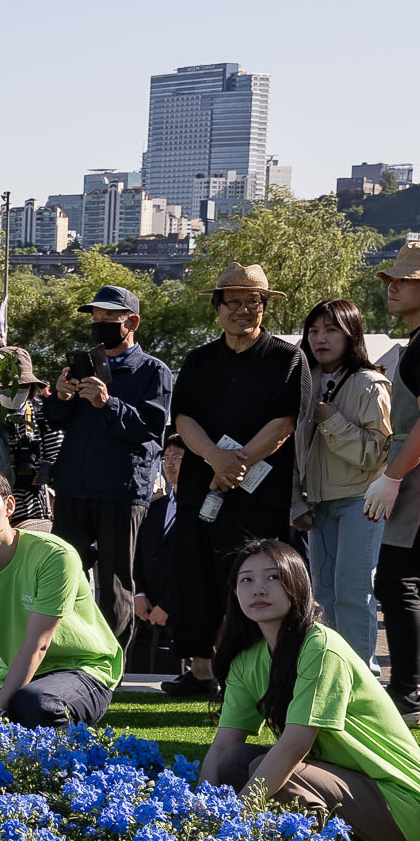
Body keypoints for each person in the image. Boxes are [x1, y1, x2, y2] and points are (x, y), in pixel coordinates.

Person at [201, 540, 420, 841]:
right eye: (246, 580)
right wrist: (198, 816)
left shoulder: (320, 648)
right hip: (344, 785)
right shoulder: (246, 661)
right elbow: (223, 747)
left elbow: (294, 746)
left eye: (273, 577)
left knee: (274, 773)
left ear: (297, 584)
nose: (259, 589)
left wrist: (234, 818)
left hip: (401, 805)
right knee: (235, 761)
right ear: (235, 592)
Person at [164, 264, 300, 696]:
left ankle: (257, 673)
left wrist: (235, 464)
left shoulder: (286, 357)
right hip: (201, 488)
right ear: (217, 308)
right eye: (234, 302)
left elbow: (284, 423)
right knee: (197, 574)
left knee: (258, 577)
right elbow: (183, 418)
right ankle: (201, 671)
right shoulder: (199, 359)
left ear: (265, 308)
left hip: (260, 493)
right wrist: (213, 458)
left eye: (254, 302)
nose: (244, 310)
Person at [40, 283, 174, 659]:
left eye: (108, 318)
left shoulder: (152, 371)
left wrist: (107, 403)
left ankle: (110, 663)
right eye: (95, 318)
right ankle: (62, 652)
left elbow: (151, 428)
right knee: (62, 576)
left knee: (115, 583)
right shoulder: (82, 365)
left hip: (122, 489)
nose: (99, 324)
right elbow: (55, 421)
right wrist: (61, 396)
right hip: (74, 487)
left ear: (132, 322)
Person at [0, 465, 122, 727]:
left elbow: (38, 645)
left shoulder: (54, 556)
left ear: (9, 505)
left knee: (35, 705)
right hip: (20, 677)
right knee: (7, 726)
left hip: (84, 669)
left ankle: (69, 760)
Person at [290, 299, 392, 662]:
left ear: (352, 334)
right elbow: (294, 449)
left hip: (360, 501)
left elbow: (376, 454)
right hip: (317, 503)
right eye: (313, 330)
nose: (320, 338)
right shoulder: (305, 382)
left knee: (353, 590)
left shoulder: (371, 383)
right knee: (323, 596)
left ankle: (363, 675)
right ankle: (333, 671)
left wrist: (332, 421)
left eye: (331, 329)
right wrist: (297, 502)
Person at [368, 242, 420, 725]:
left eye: (404, 280)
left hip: (418, 478)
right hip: (415, 475)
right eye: (392, 280)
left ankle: (409, 693)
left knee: (397, 581)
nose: (393, 288)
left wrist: (391, 477)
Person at [131, 438, 188, 665]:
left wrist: (168, 605)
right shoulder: (153, 507)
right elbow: (136, 554)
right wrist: (139, 594)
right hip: (145, 611)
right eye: (166, 458)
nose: (169, 464)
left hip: (183, 610)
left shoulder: (203, 509)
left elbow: (193, 565)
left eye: (177, 458)